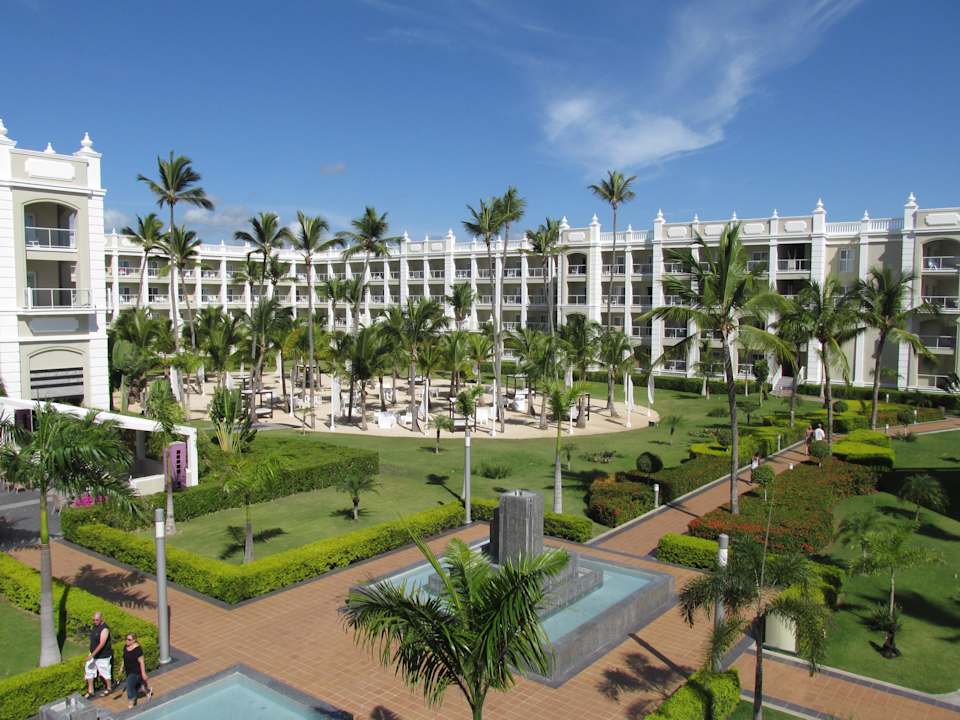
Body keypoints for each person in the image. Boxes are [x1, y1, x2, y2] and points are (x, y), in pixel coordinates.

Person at [84, 611, 112, 698]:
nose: (95, 621)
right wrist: (91, 654)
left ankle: (109, 688)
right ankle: (91, 691)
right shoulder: (94, 626)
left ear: (101, 619)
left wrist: (92, 655)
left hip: (102, 656)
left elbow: (102, 644)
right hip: (93, 654)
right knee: (89, 670)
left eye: (97, 620)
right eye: (93, 620)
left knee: (105, 673)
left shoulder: (105, 629)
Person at [123, 633, 152, 709]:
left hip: (136, 672)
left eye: (129, 639)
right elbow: (124, 657)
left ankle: (131, 702)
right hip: (128, 671)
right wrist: (121, 668)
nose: (127, 641)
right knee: (139, 687)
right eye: (126, 639)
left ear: (134, 640)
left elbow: (141, 662)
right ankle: (147, 691)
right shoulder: (126, 647)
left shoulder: (137, 650)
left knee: (129, 686)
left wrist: (143, 673)